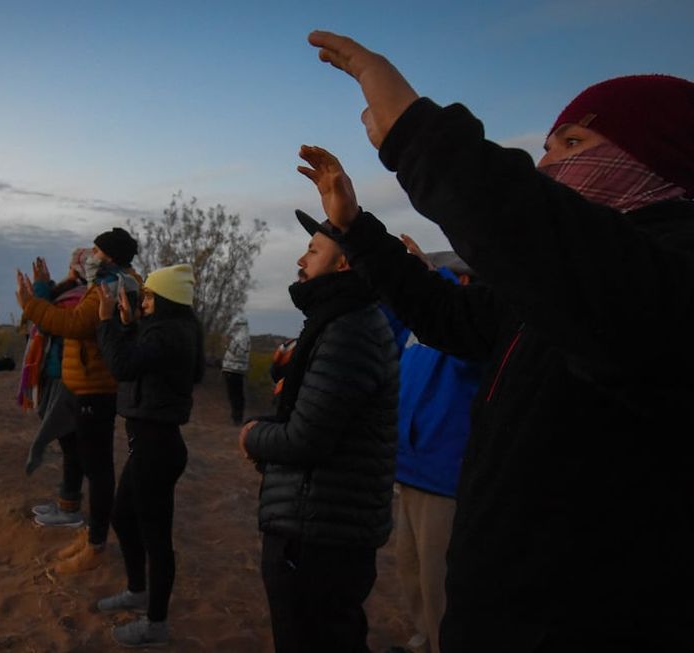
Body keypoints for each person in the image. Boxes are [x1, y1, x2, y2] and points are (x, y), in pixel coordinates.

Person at [301, 30, 694, 650]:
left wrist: (415, 133)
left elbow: (539, 233)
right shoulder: (552, 290)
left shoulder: (663, 281)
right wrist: (357, 231)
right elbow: (447, 314)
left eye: (572, 142)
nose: (547, 165)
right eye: (546, 146)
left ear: (657, 158)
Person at [238, 211, 399, 653]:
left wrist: (253, 435)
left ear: (344, 263)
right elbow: (317, 414)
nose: (300, 260)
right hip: (323, 523)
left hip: (320, 533)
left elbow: (307, 438)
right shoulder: (339, 320)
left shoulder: (348, 329)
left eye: (313, 250)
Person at [16, 227, 141, 574]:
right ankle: (91, 535)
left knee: (98, 468)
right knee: (88, 461)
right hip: (85, 385)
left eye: (96, 250)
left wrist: (30, 304)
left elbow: (71, 324)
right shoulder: (105, 281)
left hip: (95, 390)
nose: (90, 255)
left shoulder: (112, 285)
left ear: (110, 256)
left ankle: (96, 543)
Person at [94, 263, 204, 648]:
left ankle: (156, 623)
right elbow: (141, 357)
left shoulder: (169, 334)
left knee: (157, 539)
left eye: (150, 296)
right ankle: (138, 591)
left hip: (157, 446)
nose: (144, 302)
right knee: (123, 517)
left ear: (167, 299)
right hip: (152, 443)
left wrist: (107, 322)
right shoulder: (173, 329)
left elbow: (123, 365)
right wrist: (126, 324)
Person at [383, 237, 481, 653]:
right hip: (407, 466)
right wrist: (396, 280)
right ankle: (423, 639)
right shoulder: (417, 330)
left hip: (443, 477)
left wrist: (431, 278)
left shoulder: (473, 329)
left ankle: (441, 642)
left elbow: (466, 359)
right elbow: (389, 326)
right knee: (410, 567)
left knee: (438, 578)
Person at [23, 250, 89, 529]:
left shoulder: (80, 298)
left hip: (69, 378)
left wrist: (38, 291)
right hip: (60, 375)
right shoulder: (73, 293)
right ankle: (66, 503)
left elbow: (49, 323)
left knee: (72, 444)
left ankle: (69, 508)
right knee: (70, 444)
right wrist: (45, 288)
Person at [221, 317, 250, 425]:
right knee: (236, 395)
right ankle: (236, 417)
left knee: (235, 395)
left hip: (234, 370)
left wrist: (227, 345)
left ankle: (237, 418)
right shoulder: (242, 337)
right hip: (235, 370)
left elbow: (239, 352)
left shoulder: (241, 338)